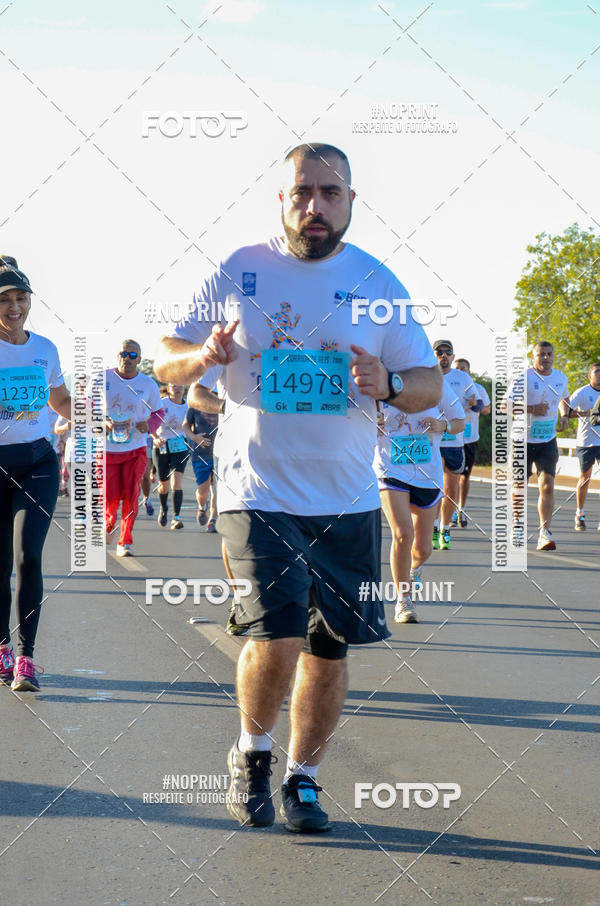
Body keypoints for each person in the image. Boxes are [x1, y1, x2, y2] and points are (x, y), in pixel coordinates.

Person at [155, 143, 441, 833]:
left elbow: (426, 384)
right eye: (301, 192)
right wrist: (206, 356)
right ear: (280, 198)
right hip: (256, 488)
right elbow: (167, 363)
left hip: (344, 495)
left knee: (330, 646)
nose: (314, 205)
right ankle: (253, 753)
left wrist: (392, 385)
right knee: (278, 636)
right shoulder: (237, 269)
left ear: (350, 201)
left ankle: (302, 777)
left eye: (330, 193)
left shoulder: (378, 281)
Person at [0, 256, 71, 692]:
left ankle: (26, 658)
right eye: (4, 299)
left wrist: (87, 415)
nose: (13, 306)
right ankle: (1, 648)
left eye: (20, 298)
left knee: (28, 557)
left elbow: (59, 400)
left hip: (38, 462)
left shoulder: (44, 349)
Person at [374, 381, 465, 623]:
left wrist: (442, 425)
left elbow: (459, 423)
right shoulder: (379, 382)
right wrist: (371, 424)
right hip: (391, 468)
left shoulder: (438, 386)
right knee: (403, 534)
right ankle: (404, 601)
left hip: (428, 473)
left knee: (423, 548)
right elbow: (353, 420)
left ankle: (413, 570)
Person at [101, 341, 163, 557]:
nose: (127, 358)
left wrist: (150, 425)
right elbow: (84, 407)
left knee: (131, 495)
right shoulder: (102, 378)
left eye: (132, 355)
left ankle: (124, 541)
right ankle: (109, 523)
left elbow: (158, 412)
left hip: (135, 449)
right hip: (107, 449)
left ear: (139, 359)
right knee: (109, 496)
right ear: (117, 356)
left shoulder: (148, 384)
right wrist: (103, 422)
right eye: (123, 353)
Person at [508, 341, 569, 551]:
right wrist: (532, 408)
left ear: (554, 356)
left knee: (547, 485)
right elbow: (504, 405)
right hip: (522, 440)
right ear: (533, 357)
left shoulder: (560, 378)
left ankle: (544, 532)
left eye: (549, 354)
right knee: (519, 487)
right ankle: (517, 525)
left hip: (547, 440)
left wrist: (565, 415)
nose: (545, 358)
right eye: (541, 354)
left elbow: (563, 398)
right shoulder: (523, 377)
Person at [431, 340, 476, 550]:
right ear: (434, 355)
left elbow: (475, 400)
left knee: (450, 489)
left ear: (452, 355)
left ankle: (445, 528)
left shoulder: (462, 377)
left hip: (454, 441)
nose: (444, 356)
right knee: (434, 487)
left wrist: (465, 409)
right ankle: (431, 525)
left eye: (448, 352)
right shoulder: (426, 375)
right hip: (432, 440)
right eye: (439, 352)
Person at [451, 358, 490, 528]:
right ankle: (450, 511)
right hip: (450, 438)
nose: (460, 371)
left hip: (469, 438)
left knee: (464, 477)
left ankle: (462, 509)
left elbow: (487, 409)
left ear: (469, 371)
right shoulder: (447, 385)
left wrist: (476, 405)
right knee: (450, 477)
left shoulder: (478, 389)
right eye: (457, 368)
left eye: (463, 369)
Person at [151, 383, 189, 530]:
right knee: (163, 485)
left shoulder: (189, 406)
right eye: (174, 386)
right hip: (161, 446)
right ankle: (163, 508)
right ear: (168, 388)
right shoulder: (161, 403)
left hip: (180, 446)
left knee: (176, 481)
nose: (178, 388)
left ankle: (176, 517)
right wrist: (155, 437)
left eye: (180, 386)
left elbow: (193, 425)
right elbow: (150, 423)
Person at [567, 362, 600, 531]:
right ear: (590, 376)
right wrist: (586, 413)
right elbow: (566, 410)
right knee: (585, 478)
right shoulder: (582, 392)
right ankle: (579, 514)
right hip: (586, 442)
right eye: (597, 372)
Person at [184, 382, 220, 531]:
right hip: (200, 454)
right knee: (203, 491)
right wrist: (194, 437)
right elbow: (185, 425)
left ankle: (213, 518)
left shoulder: (224, 407)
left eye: (216, 394)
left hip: (220, 453)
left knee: (217, 488)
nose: (213, 397)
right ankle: (201, 506)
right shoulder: (195, 407)